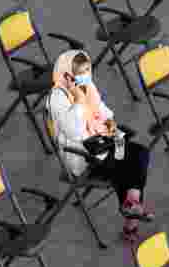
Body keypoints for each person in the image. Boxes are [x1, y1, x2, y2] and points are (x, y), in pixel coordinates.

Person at [47, 50, 153, 244]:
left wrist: (111, 124)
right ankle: (131, 215)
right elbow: (73, 131)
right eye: (80, 72)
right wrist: (78, 99)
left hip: (103, 142)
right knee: (126, 166)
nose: (85, 75)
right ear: (67, 74)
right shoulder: (57, 98)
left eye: (87, 70)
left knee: (139, 153)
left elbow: (103, 110)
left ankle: (132, 203)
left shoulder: (88, 87)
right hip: (82, 154)